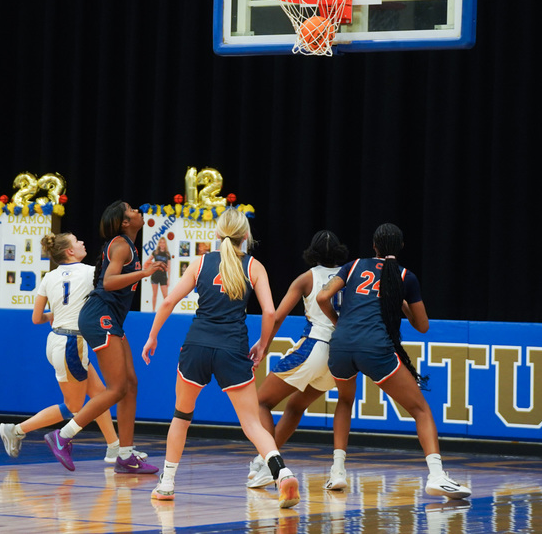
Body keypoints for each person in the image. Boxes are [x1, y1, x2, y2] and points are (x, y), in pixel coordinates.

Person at [142, 207, 301, 509]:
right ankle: (283, 474)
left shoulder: (200, 263)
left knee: (181, 417)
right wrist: (263, 345)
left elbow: (169, 302)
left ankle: (167, 484)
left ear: (217, 234)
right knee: (252, 424)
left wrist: (152, 336)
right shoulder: (254, 266)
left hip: (197, 347)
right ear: (246, 236)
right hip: (233, 348)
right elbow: (269, 311)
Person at [315, 223, 471, 500]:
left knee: (344, 402)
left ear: (373, 246)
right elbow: (422, 326)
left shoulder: (352, 266)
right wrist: (400, 302)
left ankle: (337, 472)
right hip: (374, 348)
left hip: (340, 346)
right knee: (420, 410)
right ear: (400, 248)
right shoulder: (404, 276)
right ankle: (436, 475)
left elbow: (323, 296)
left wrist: (338, 322)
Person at [0, 231, 146, 465]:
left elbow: (36, 318)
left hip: (56, 339)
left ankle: (114, 447)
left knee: (100, 395)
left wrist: (55, 314)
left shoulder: (49, 277)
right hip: (73, 344)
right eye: (78, 241)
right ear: (70, 251)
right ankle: (16, 430)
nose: (83, 242)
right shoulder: (90, 272)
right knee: (74, 406)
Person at [44, 201, 164, 474]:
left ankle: (125, 454)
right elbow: (109, 282)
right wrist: (143, 273)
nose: (138, 211)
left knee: (130, 384)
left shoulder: (128, 247)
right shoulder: (120, 244)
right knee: (117, 388)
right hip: (100, 317)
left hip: (111, 319)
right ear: (123, 221)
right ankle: (62, 436)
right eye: (132, 209)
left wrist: (138, 270)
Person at [245, 230, 348, 490]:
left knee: (261, 402)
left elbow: (277, 316)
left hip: (313, 346)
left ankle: (269, 463)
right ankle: (266, 461)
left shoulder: (307, 278)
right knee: (296, 406)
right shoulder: (349, 275)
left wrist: (264, 345)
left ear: (311, 252)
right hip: (338, 356)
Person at [149, 237, 171, 311]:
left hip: (163, 276)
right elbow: (148, 261)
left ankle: (166, 311)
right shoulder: (155, 252)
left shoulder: (167, 254)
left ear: (165, 244)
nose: (162, 244)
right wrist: (155, 264)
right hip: (155, 275)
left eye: (163, 242)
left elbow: (169, 267)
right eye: (161, 242)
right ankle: (153, 310)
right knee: (154, 294)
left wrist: (168, 279)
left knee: (165, 296)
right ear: (159, 243)